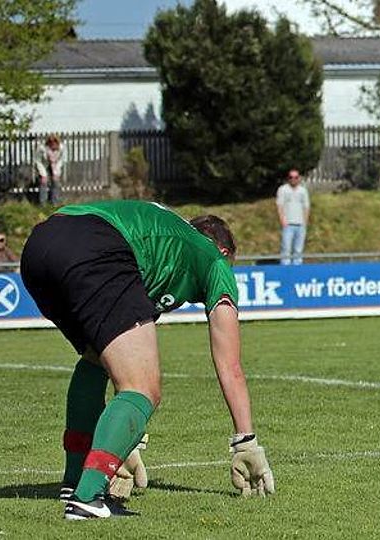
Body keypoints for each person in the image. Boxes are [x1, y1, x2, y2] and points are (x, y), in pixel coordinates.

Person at [20, 200, 275, 520]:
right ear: (224, 251)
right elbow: (230, 365)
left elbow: (122, 359)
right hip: (96, 245)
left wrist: (127, 441)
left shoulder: (163, 247)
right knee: (142, 388)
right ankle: (87, 499)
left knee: (95, 359)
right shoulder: (213, 258)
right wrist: (246, 442)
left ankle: (74, 481)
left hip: (41, 246)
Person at [277, 168, 310, 265]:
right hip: (288, 224)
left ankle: (297, 268)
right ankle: (285, 268)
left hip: (300, 224)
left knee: (298, 250)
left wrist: (305, 222)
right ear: (288, 178)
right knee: (286, 249)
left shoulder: (303, 191)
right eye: (291, 177)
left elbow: (306, 207)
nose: (293, 179)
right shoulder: (283, 189)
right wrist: (282, 220)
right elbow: (280, 206)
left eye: (296, 177)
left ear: (299, 178)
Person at [34, 134, 65, 205]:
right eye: (51, 144)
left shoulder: (61, 148)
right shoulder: (41, 149)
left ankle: (55, 203)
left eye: (55, 144)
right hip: (43, 165)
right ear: (48, 143)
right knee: (43, 182)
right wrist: (43, 174)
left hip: (55, 165)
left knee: (56, 181)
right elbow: (38, 161)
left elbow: (61, 160)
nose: (53, 146)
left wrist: (56, 172)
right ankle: (43, 204)